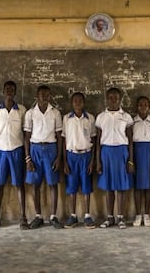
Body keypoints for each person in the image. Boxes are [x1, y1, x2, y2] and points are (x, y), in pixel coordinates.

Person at [0, 81, 28, 230]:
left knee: (19, 184)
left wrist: (26, 154)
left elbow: (24, 132)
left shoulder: (22, 110)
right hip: (1, 150)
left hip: (17, 149)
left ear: (15, 92)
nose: (9, 91)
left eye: (12, 89)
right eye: (7, 89)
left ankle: (23, 218)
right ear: (3, 91)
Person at [24, 85, 63, 229]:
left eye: (47, 94)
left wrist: (58, 158)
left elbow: (59, 137)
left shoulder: (55, 113)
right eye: (42, 94)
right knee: (36, 184)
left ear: (50, 95)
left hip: (51, 149)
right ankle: (38, 216)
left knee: (52, 183)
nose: (44, 96)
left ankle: (53, 216)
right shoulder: (30, 113)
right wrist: (28, 158)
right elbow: (26, 137)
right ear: (37, 95)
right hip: (35, 149)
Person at [96, 87, 134, 229]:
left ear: (120, 99)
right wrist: (98, 160)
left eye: (115, 98)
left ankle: (121, 217)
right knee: (108, 186)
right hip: (106, 152)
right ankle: (110, 217)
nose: (113, 100)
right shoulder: (101, 117)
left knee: (121, 186)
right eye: (110, 97)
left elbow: (130, 140)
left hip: (121, 152)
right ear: (106, 98)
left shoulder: (126, 117)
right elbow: (98, 141)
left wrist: (130, 160)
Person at [62, 92, 96, 229]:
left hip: (86, 155)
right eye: (75, 100)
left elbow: (94, 140)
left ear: (84, 102)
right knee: (72, 187)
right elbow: (63, 140)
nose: (77, 102)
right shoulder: (66, 119)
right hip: (71, 155)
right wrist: (64, 161)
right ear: (71, 103)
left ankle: (87, 215)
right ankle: (73, 215)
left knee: (86, 186)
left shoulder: (90, 118)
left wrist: (92, 160)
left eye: (80, 100)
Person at [132, 96, 150, 227]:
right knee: (138, 186)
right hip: (137, 153)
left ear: (149, 107)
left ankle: (147, 215)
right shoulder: (132, 122)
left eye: (145, 104)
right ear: (137, 107)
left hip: (149, 154)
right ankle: (138, 215)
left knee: (148, 186)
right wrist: (131, 161)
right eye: (140, 104)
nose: (143, 106)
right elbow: (130, 142)